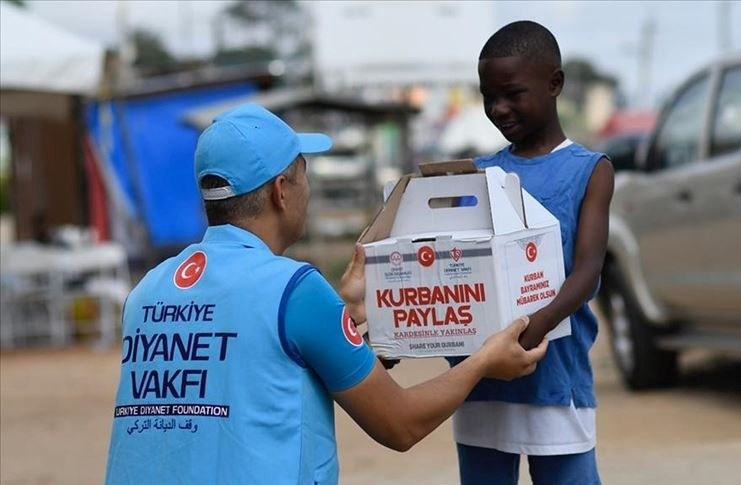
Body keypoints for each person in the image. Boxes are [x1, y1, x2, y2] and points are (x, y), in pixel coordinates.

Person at [104, 103, 548, 485]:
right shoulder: (294, 290)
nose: (308, 191)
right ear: (281, 191)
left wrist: (348, 313)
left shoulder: (147, 291)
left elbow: (255, 368)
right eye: (303, 175)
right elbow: (399, 423)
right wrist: (484, 362)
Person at [448, 21, 614, 485]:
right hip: (482, 382)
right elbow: (452, 269)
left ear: (554, 83)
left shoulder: (589, 170)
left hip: (554, 379)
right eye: (488, 96)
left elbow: (586, 273)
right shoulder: (478, 176)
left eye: (513, 93)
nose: (498, 108)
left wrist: (529, 331)